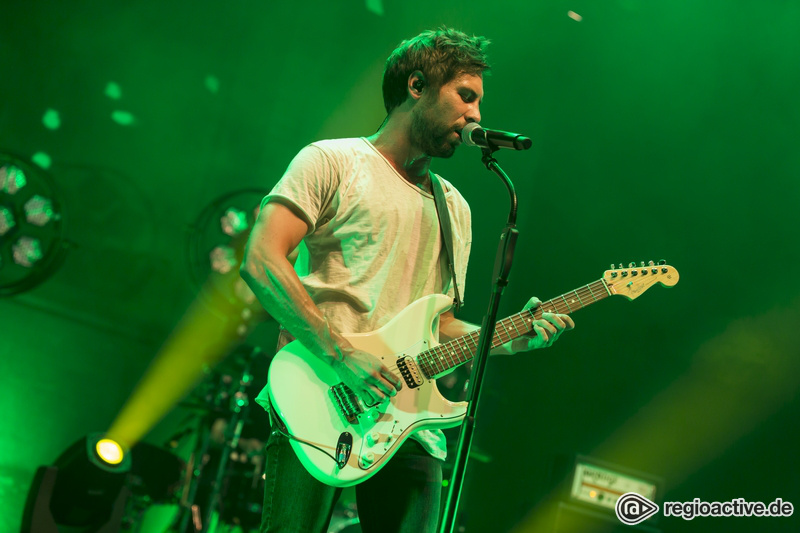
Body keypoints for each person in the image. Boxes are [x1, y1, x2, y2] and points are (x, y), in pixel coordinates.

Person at [240, 27, 575, 533]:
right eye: (466, 96)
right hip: (319, 399)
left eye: (479, 102)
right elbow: (262, 261)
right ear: (416, 86)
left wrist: (506, 340)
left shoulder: (455, 209)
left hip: (412, 423)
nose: (477, 116)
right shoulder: (332, 161)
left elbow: (438, 326)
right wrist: (339, 352)